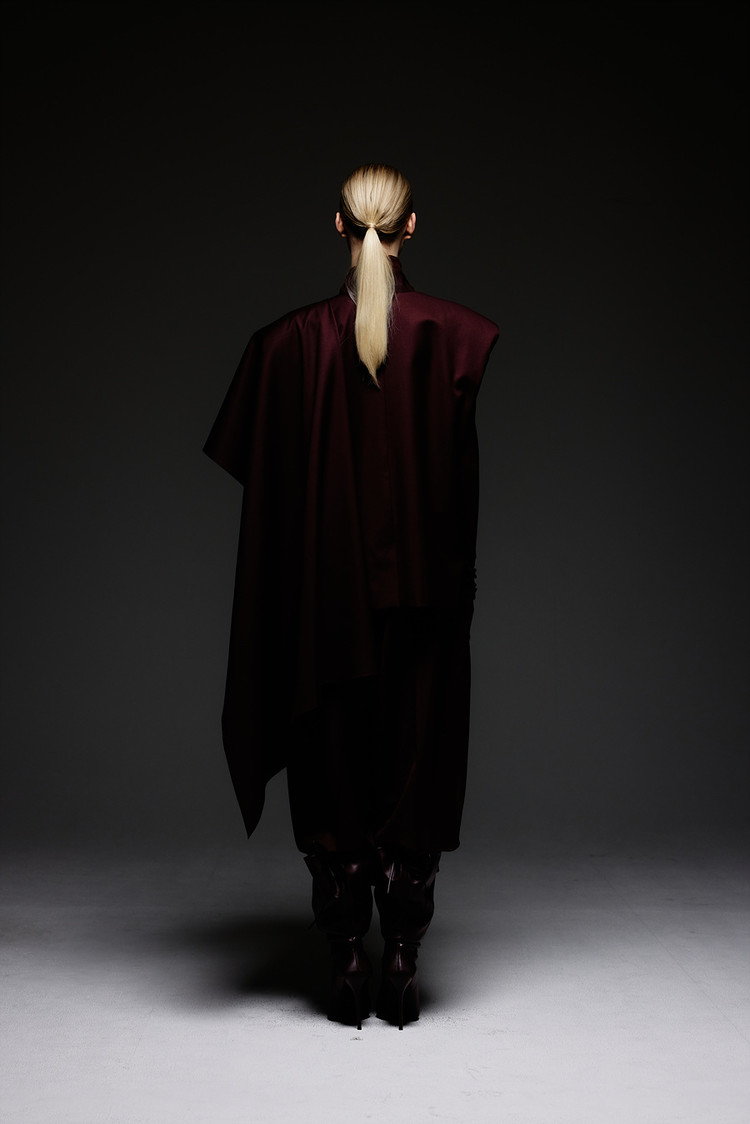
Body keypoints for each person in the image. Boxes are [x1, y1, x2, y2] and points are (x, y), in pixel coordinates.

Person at [203, 163, 498, 1029]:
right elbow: (461, 493)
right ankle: (401, 955)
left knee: (331, 767)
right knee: (416, 764)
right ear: (413, 227)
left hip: (320, 610)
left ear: (338, 226)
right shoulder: (453, 335)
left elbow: (266, 493)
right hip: (425, 607)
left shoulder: (285, 345)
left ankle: (345, 960)